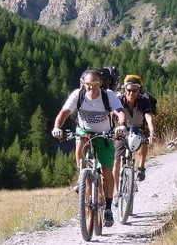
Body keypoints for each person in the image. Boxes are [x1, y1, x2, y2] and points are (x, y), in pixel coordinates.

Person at [52, 69, 127, 228]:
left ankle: (107, 209)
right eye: (88, 85)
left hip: (105, 133)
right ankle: (82, 176)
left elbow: (119, 111)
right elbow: (65, 112)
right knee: (80, 143)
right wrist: (57, 127)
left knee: (107, 170)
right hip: (84, 131)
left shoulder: (108, 96)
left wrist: (122, 125)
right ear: (83, 84)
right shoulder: (78, 95)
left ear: (100, 83)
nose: (91, 88)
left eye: (94, 84)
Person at [113, 74, 155, 192]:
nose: (131, 93)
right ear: (124, 89)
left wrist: (152, 133)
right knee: (117, 161)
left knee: (144, 141)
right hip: (122, 130)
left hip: (138, 129)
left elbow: (149, 117)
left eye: (135, 90)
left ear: (139, 90)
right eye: (129, 90)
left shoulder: (144, 101)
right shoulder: (118, 100)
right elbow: (111, 115)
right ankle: (116, 193)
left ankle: (141, 168)